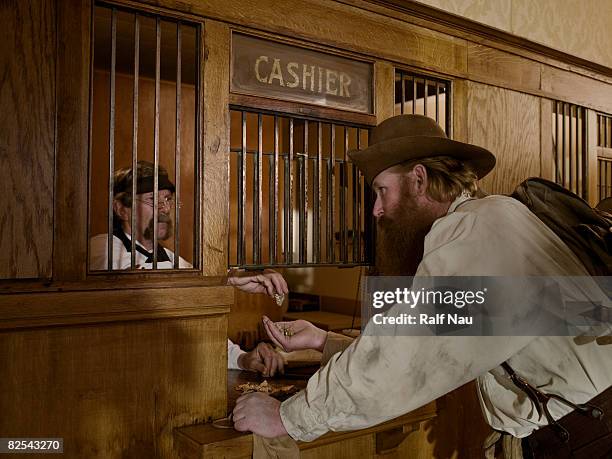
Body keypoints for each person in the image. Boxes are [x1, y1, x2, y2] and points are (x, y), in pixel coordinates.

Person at [232, 115, 612, 456]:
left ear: (419, 179)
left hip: (590, 435)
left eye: (382, 191)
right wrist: (322, 340)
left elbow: (409, 352)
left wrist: (289, 417)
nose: (377, 210)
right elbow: (442, 337)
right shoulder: (493, 218)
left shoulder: (475, 231)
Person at [90, 160, 287, 376]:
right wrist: (223, 280)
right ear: (122, 209)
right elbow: (139, 285)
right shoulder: (103, 248)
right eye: (153, 200)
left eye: (167, 199)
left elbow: (199, 324)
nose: (165, 208)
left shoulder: (176, 262)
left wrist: (241, 358)